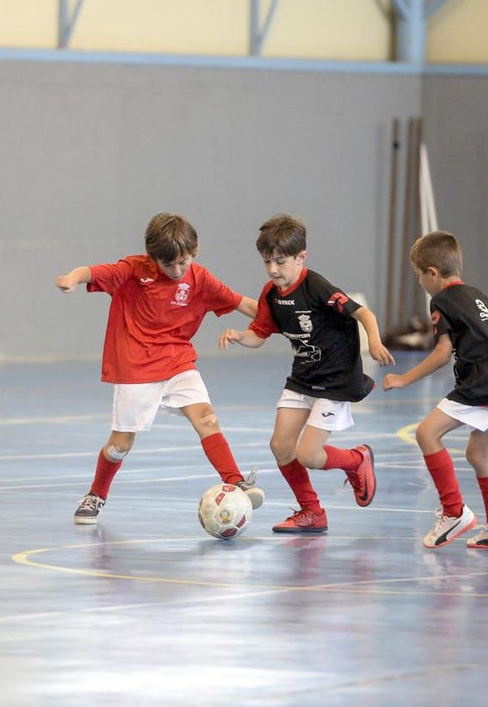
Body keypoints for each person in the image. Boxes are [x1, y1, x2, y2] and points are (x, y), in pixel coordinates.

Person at [56, 213, 264, 524]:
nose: (179, 270)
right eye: (170, 265)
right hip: (136, 367)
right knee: (119, 445)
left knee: (207, 417)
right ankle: (96, 494)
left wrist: (280, 317)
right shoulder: (132, 270)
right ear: (154, 258)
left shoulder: (199, 278)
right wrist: (72, 278)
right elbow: (93, 271)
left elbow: (241, 303)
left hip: (178, 361)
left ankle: (235, 481)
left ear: (194, 252)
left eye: (185, 262)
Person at [219, 214, 395, 534]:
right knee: (281, 446)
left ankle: (357, 461)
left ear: (302, 257)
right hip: (301, 378)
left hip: (334, 382)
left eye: (281, 262)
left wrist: (375, 342)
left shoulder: (317, 288)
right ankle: (311, 511)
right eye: (267, 262)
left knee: (310, 455)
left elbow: (363, 313)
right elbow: (258, 335)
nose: (273, 270)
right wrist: (238, 336)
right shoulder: (271, 295)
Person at [382, 229, 488, 548]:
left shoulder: (443, 300)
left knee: (426, 434)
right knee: (478, 454)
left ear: (432, 273)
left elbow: (442, 353)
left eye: (418, 275)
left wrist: (403, 379)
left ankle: (454, 512)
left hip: (485, 381)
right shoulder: (478, 296)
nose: (420, 282)